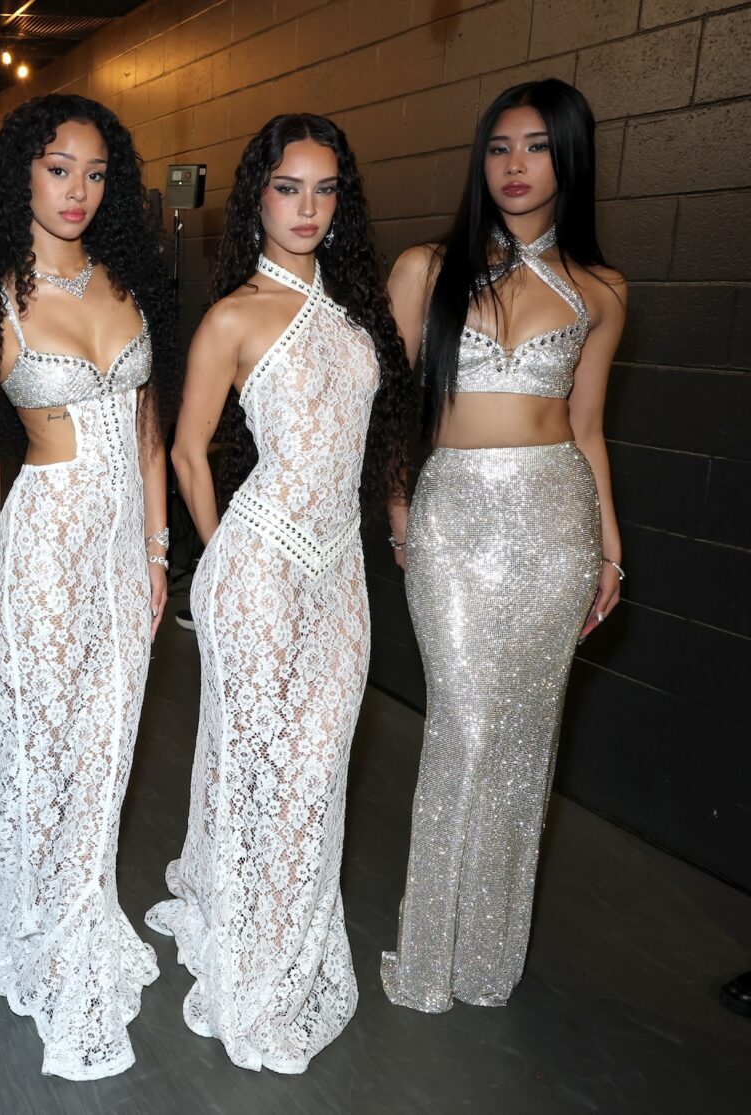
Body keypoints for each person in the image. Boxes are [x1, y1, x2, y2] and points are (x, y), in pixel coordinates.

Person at [145, 115, 416, 1073]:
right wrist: (224, 559)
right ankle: (258, 967)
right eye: (288, 187)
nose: (307, 207)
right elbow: (186, 449)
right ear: (256, 195)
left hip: (341, 579)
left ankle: (284, 939)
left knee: (314, 773)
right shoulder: (233, 316)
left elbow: (370, 440)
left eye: (325, 188)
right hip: (259, 569)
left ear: (342, 201)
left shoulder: (356, 315)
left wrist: (392, 522)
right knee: (264, 772)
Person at [0, 93, 178, 1081]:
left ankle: (82, 911)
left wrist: (163, 555)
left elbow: (154, 441)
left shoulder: (133, 286)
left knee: (109, 750)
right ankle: (49, 927)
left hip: (126, 556)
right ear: (19, 179)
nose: (77, 190)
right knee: (42, 747)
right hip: (38, 550)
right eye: (56, 169)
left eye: (94, 172)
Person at [380, 78, 627, 1013]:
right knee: (466, 726)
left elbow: (591, 427)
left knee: (525, 742)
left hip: (556, 520)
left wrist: (608, 551)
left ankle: (486, 957)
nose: (516, 166)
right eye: (499, 148)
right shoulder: (425, 269)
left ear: (569, 159)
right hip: (453, 519)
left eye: (536, 147)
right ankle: (429, 956)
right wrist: (402, 513)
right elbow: (400, 415)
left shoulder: (601, 291)